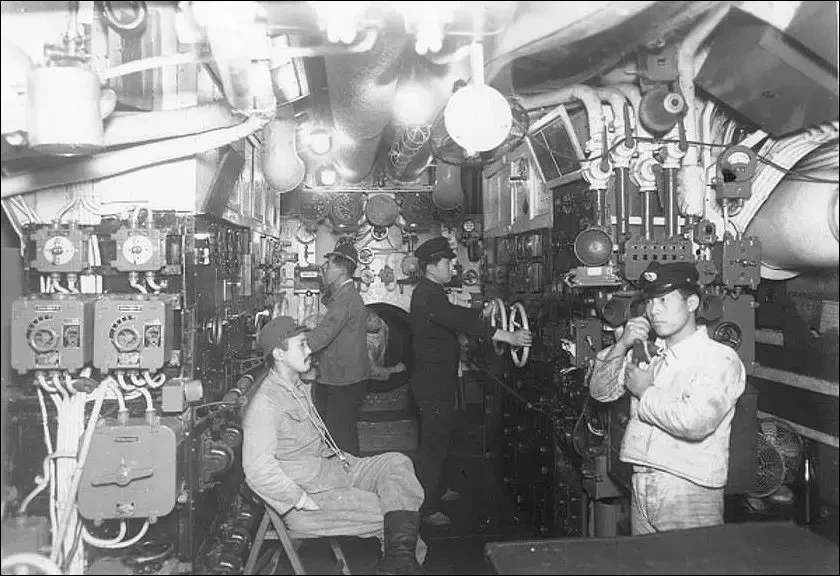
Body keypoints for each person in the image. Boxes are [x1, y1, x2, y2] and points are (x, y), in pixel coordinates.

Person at [242, 316, 427, 575]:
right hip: (311, 496)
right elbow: (257, 470)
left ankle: (397, 564)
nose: (309, 350)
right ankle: (400, 566)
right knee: (397, 516)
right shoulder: (266, 404)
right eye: (302, 345)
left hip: (335, 471)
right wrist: (300, 500)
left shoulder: (296, 386)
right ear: (279, 354)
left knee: (398, 463)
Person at [588, 260, 746, 535]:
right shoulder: (650, 353)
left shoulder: (718, 359)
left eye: (663, 300)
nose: (654, 311)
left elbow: (695, 422)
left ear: (692, 303)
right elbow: (600, 391)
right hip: (642, 483)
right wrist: (622, 344)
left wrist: (645, 392)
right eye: (650, 302)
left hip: (688, 491)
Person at [409, 236, 532, 526]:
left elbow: (454, 315)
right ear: (431, 268)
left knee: (441, 438)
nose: (453, 266)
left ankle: (436, 489)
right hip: (432, 384)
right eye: (447, 262)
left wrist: (482, 313)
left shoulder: (431, 292)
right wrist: (509, 336)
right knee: (434, 444)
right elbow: (457, 321)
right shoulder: (427, 295)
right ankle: (426, 508)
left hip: (435, 381)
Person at [307, 242, 370, 456]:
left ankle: (348, 474)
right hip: (346, 377)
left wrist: (288, 347)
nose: (324, 269)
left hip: (344, 380)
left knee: (339, 439)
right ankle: (350, 472)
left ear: (342, 270)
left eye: (329, 265)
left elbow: (323, 336)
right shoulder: (344, 295)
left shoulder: (345, 299)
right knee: (342, 434)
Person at [367, 308, 407, 382]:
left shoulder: (379, 323)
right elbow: (371, 372)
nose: (376, 319)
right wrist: (394, 369)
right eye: (369, 319)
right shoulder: (365, 346)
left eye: (374, 315)